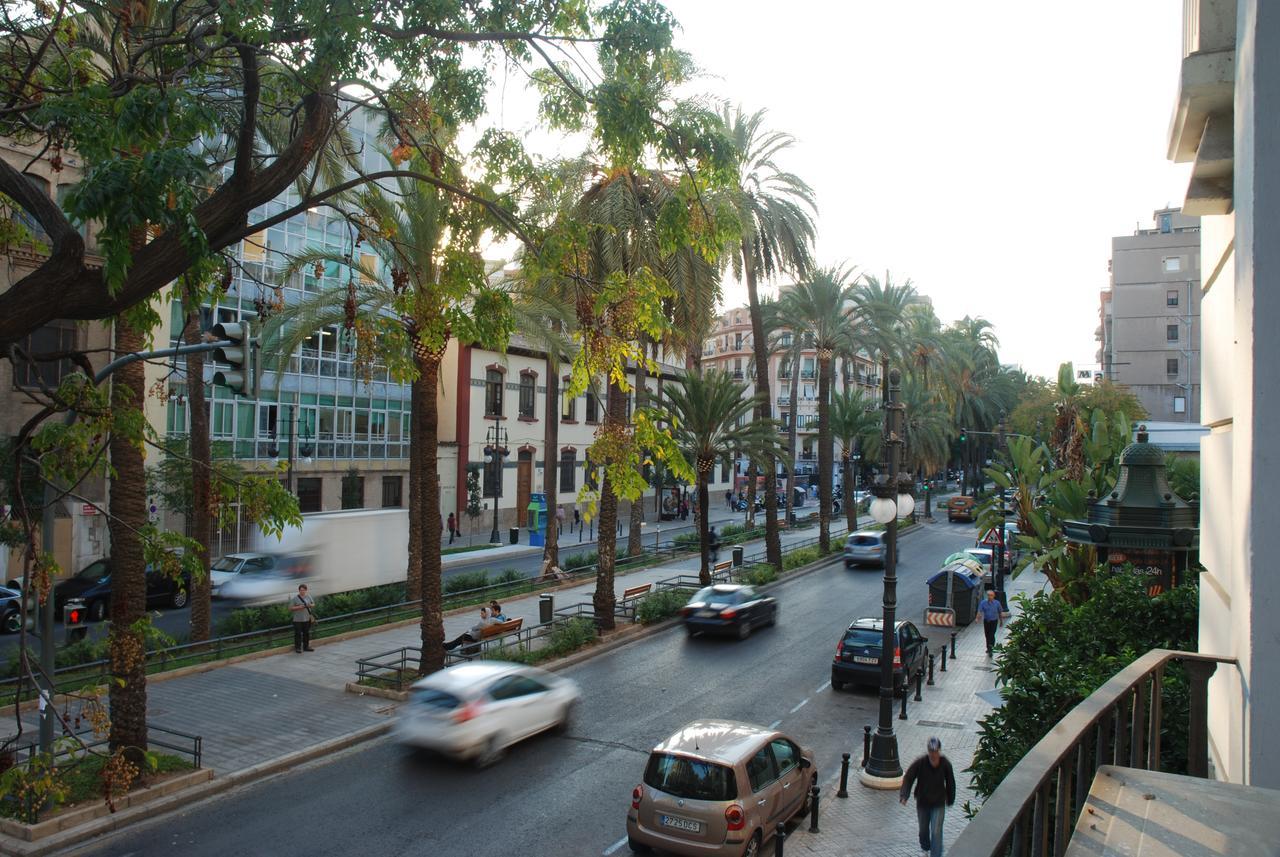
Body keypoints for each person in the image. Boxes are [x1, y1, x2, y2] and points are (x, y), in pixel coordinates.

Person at [899, 736, 956, 857]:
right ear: (928, 751)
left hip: (938, 803)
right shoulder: (920, 763)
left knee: (936, 831)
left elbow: (951, 782)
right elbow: (909, 777)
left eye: (935, 752)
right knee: (923, 830)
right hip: (923, 802)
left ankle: (936, 854)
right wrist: (904, 795)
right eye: (931, 752)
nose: (933, 755)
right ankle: (925, 848)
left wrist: (950, 798)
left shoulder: (945, 764)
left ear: (939, 751)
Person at [290, 584, 316, 653]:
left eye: (303, 590)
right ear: (299, 590)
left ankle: (306, 647)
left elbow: (313, 604)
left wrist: (310, 605)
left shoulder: (308, 596)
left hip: (307, 618)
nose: (302, 591)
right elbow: (290, 608)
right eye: (301, 590)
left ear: (306, 590)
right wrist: (299, 607)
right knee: (298, 634)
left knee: (306, 633)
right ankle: (298, 648)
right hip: (297, 619)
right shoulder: (295, 598)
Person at [979, 589, 1003, 655]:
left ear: (994, 596)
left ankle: (991, 648)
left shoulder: (997, 603)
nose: (990, 597)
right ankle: (988, 647)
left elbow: (1000, 612)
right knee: (987, 635)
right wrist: (977, 618)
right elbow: (980, 611)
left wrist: (1001, 621)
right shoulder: (983, 603)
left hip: (994, 621)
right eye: (988, 595)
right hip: (986, 621)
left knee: (991, 635)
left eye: (991, 595)